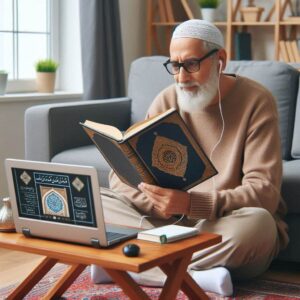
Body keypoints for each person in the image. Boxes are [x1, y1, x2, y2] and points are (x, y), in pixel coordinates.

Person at [91, 19, 289, 296]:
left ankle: (128, 266)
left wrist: (192, 203)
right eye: (175, 65)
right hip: (164, 225)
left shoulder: (257, 101)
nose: (181, 77)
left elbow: (264, 193)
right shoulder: (166, 99)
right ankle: (197, 276)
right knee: (94, 201)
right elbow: (121, 178)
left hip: (218, 226)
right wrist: (159, 203)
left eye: (191, 64)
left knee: (259, 225)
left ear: (220, 59)